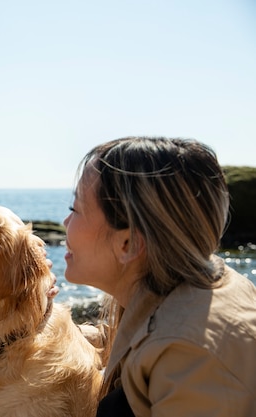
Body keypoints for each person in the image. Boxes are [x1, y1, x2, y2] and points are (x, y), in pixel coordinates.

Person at [63, 136, 256, 416]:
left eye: (75, 209)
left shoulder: (189, 356)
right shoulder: (186, 279)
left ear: (128, 244)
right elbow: (130, 338)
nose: (65, 223)